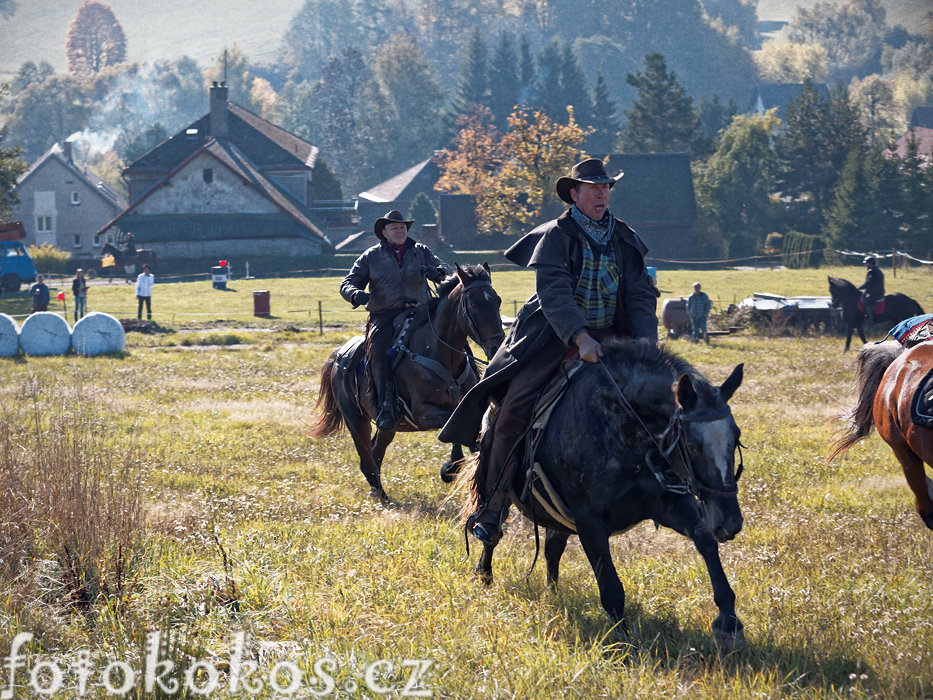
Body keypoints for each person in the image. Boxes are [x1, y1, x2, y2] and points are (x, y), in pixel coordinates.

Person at [439, 158, 659, 543]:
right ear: (573, 194)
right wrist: (579, 337)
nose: (601, 194)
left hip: (614, 336)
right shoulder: (556, 236)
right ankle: (491, 505)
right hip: (553, 337)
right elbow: (554, 293)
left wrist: (644, 346)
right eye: (593, 188)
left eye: (606, 188)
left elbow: (640, 295)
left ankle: (672, 487)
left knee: (661, 401)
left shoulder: (625, 239)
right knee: (512, 409)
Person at [340, 210, 450, 430]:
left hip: (421, 313)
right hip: (385, 316)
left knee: (452, 339)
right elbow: (347, 283)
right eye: (395, 228)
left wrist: (436, 271)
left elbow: (445, 271)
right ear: (384, 232)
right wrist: (356, 294)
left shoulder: (422, 252)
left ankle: (471, 388)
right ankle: (385, 407)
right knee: (378, 353)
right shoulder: (370, 256)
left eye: (403, 228)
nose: (400, 231)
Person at [857, 255, 884, 324]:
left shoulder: (872, 272)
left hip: (875, 292)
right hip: (877, 291)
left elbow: (867, 284)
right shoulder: (876, 269)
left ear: (870, 263)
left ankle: (870, 319)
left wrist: (858, 288)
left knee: (866, 301)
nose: (865, 265)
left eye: (866, 263)